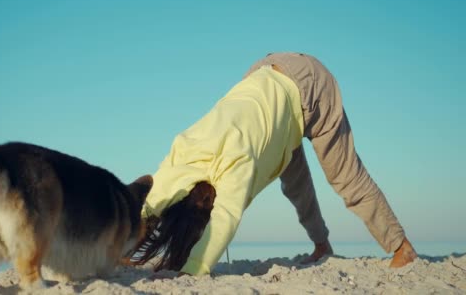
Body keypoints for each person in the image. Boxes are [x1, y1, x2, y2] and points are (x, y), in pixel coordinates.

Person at [129, 52, 417, 276]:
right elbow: (157, 196)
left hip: (311, 86)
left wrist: (192, 270)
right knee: (295, 182)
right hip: (264, 75)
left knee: (344, 176)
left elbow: (226, 216)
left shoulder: (236, 163)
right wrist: (131, 239)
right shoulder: (184, 146)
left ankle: (401, 247)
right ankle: (322, 245)